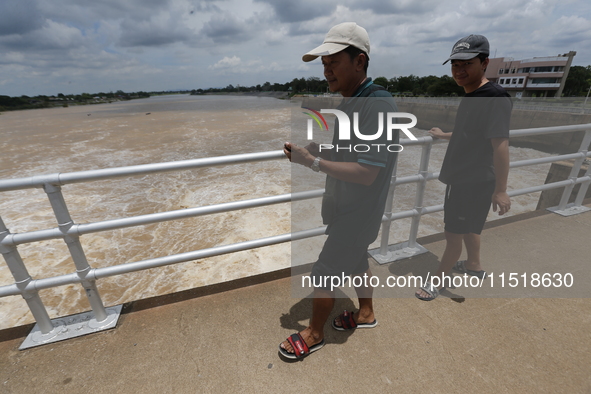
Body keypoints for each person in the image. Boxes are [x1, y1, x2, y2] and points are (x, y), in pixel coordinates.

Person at [279, 22, 399, 358]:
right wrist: (321, 151)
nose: (326, 70)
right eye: (324, 64)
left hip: (359, 211)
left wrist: (311, 163)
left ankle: (314, 332)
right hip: (349, 208)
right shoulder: (352, 102)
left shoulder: (377, 104)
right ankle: (366, 313)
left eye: (333, 61)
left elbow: (366, 172)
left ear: (359, 62)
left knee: (324, 273)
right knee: (358, 260)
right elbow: (354, 156)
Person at [415, 34, 512, 301]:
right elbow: (472, 132)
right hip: (473, 179)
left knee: (453, 234)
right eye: (455, 65)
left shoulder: (493, 97)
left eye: (466, 64)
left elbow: (500, 145)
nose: (459, 71)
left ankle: (436, 282)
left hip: (470, 181)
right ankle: (474, 266)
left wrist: (502, 190)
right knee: (470, 228)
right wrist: (445, 134)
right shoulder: (475, 95)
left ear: (484, 63)